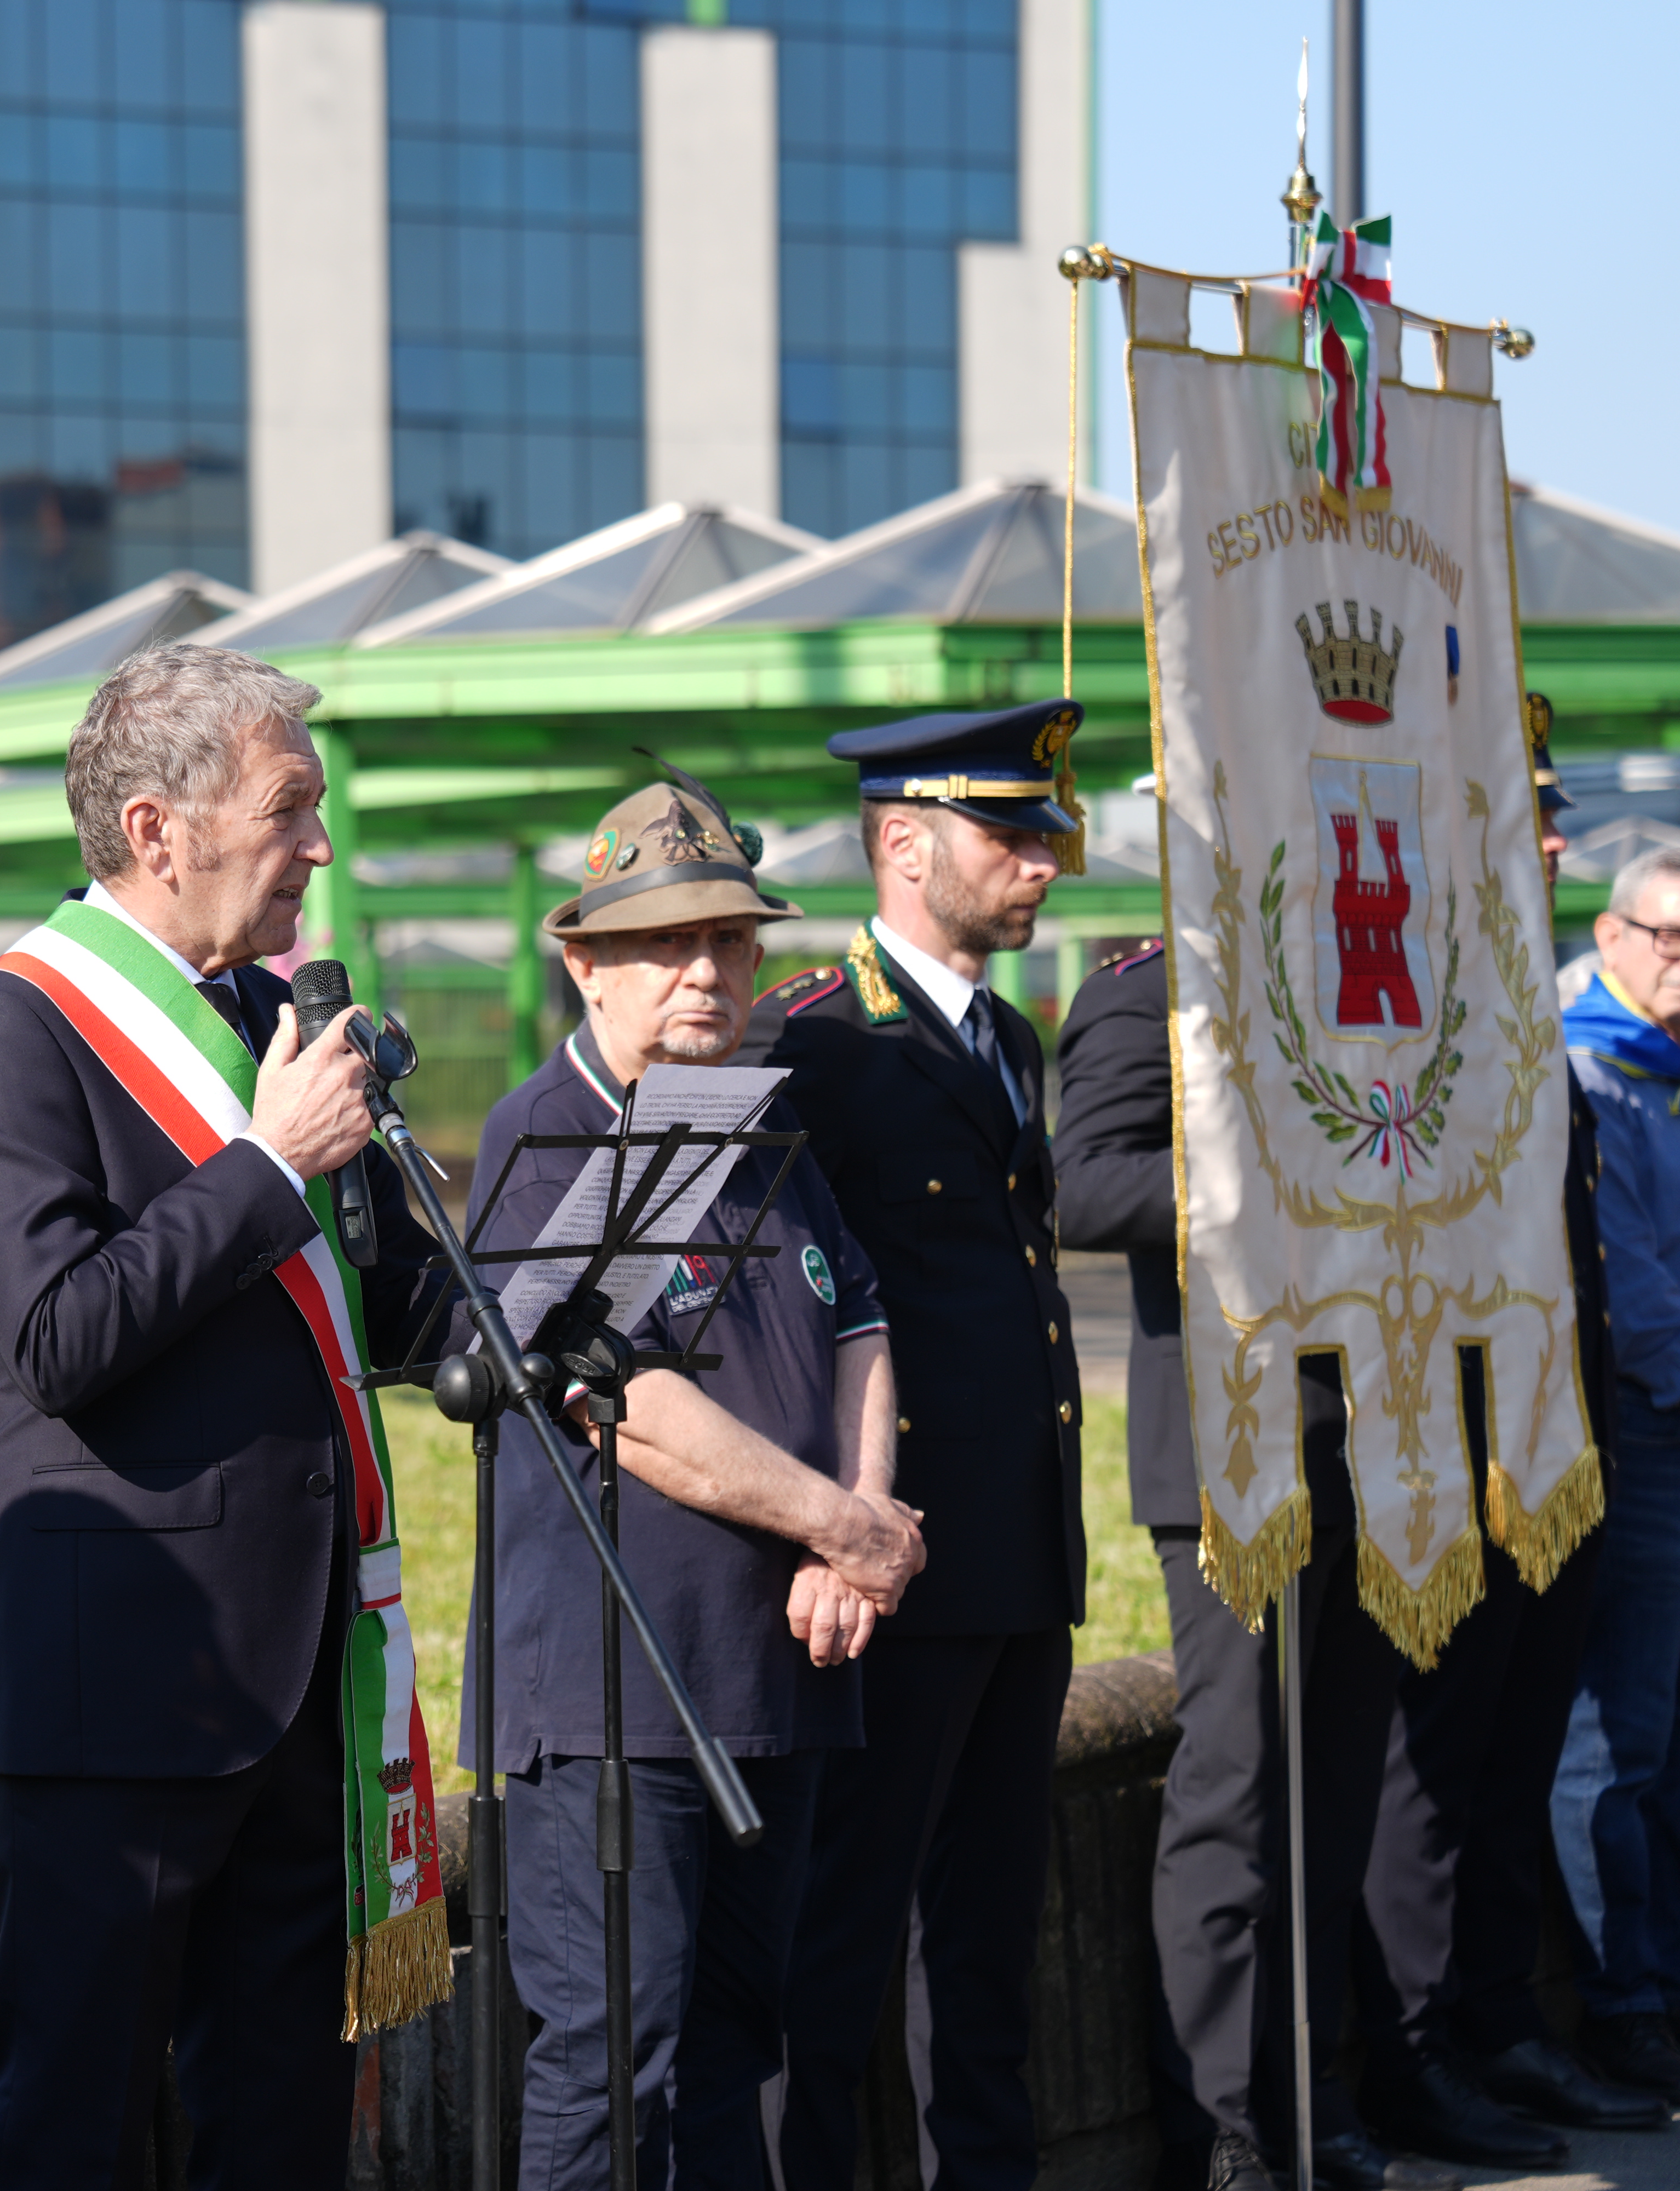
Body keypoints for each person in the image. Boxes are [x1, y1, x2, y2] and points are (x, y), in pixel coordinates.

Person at [0, 643, 444, 2189]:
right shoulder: (13, 1027)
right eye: (292, 809)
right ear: (157, 830)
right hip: (121, 1676)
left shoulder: (277, 1017)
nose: (322, 850)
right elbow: (55, 1338)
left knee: (280, 2119)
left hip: (302, 1659)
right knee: (76, 2122)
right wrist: (271, 1168)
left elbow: (356, 1314)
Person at [467, 778, 926, 2191]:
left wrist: (850, 1539)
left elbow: (857, 1322)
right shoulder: (553, 1133)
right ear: (584, 961)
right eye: (664, 944)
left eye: (728, 940)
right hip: (619, 1693)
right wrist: (846, 1523)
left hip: (771, 1669)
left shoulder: (747, 1114)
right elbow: (630, 1408)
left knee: (739, 2046)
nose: (705, 972)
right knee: (612, 2062)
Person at [1056, 906, 1448, 2186]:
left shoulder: (1369, 979)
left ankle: (1307, 2093)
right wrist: (1261, 1176)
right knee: (1237, 1792)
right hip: (1238, 1450)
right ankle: (1218, 2125)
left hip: (1375, 1436)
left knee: (1337, 1790)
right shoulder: (1146, 987)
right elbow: (1085, 1180)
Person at [750, 702, 1086, 2191]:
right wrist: (834, 1523)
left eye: (1044, 838)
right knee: (841, 1929)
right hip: (900, 1551)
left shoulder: (1010, 1032)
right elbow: (789, 1314)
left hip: (1017, 1540)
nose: (1043, 868)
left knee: (991, 1926)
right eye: (1010, 838)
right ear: (902, 842)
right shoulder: (817, 1041)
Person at [1349, 702, 1659, 2159]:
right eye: (1523, 823)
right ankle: (1421, 2053)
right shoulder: (1406, 1007)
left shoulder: (1511, 995)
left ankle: (1498, 2027)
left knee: (1516, 1759)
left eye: (1549, 823)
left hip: (1553, 1438)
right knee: (1439, 1773)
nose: (1549, 844)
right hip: (1450, 1443)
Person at [1550, 840, 1680, 2103]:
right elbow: (1624, 1282)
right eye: (1673, 936)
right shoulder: (1590, 1073)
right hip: (1661, 1428)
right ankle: (1620, 1995)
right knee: (1621, 1738)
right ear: (1612, 936)